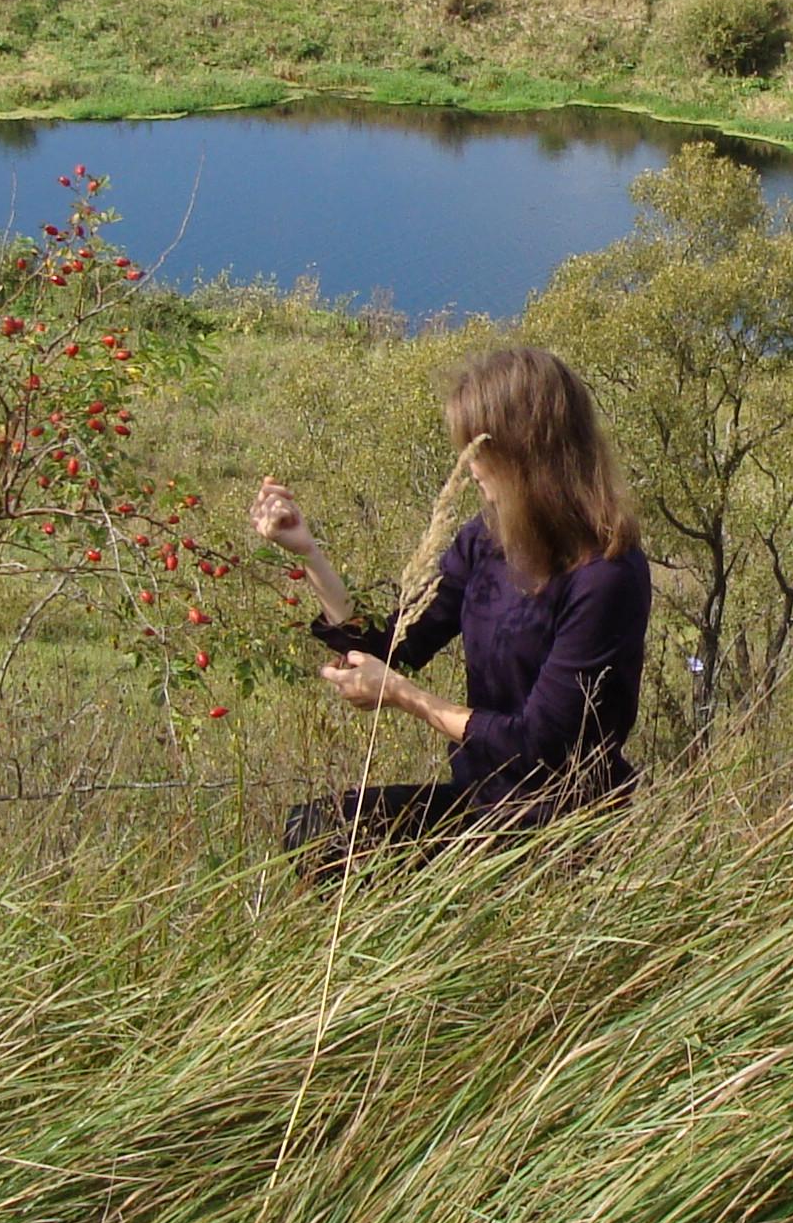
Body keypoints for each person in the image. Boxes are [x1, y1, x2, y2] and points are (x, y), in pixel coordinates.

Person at [250, 346, 652, 874]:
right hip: (483, 802)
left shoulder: (606, 575)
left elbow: (541, 745)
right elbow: (395, 646)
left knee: (347, 853)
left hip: (561, 827)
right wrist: (309, 554)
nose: (468, 466)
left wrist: (405, 697)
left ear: (527, 450)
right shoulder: (485, 541)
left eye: (478, 450)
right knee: (316, 832)